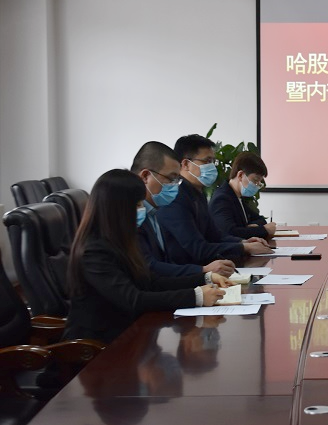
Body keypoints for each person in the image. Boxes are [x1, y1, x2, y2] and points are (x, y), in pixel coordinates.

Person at [64, 169, 230, 344]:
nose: (142, 210)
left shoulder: (122, 240)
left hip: (129, 333)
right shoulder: (93, 251)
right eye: (136, 205)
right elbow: (133, 299)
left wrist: (205, 278)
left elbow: (151, 282)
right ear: (117, 209)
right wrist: (196, 296)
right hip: (96, 347)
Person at [157, 134, 272, 266]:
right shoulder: (175, 198)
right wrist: (243, 248)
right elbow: (199, 248)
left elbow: (216, 236)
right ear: (186, 164)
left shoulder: (198, 194)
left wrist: (243, 242)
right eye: (207, 161)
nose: (212, 166)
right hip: (189, 272)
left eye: (213, 161)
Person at [131, 141, 235, 277]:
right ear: (145, 176)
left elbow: (167, 263)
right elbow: (150, 267)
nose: (174, 185)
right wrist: (203, 272)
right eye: (170, 179)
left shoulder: (154, 211)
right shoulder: (132, 216)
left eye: (177, 179)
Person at [209, 151, 277, 240]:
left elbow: (261, 219)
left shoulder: (237, 197)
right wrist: (264, 230)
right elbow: (229, 233)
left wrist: (255, 226)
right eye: (255, 180)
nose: (256, 185)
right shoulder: (222, 199)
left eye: (259, 182)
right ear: (240, 175)